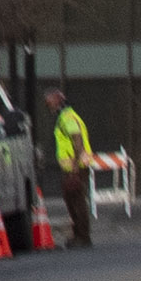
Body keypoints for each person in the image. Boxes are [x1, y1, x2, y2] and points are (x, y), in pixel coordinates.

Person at [46, 86, 95, 247]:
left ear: (58, 101)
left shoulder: (67, 118)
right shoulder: (67, 116)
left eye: (50, 102)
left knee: (77, 203)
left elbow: (77, 139)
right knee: (74, 201)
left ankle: (82, 237)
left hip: (76, 168)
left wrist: (74, 168)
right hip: (76, 166)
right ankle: (79, 235)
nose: (49, 106)